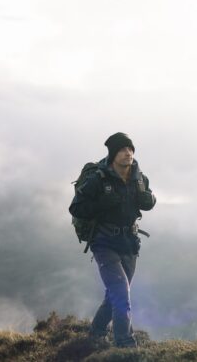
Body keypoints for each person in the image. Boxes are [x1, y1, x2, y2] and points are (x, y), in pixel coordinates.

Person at [69, 132, 156, 347]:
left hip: (129, 242)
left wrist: (149, 199)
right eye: (123, 149)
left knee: (115, 295)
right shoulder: (98, 179)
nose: (128, 153)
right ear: (112, 154)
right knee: (120, 293)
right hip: (104, 241)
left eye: (131, 149)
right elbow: (76, 208)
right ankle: (125, 345)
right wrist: (102, 204)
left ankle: (96, 332)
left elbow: (150, 200)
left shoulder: (139, 177)